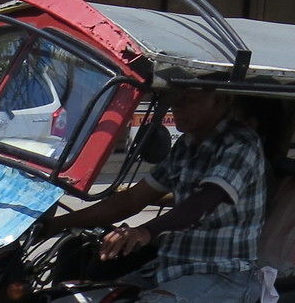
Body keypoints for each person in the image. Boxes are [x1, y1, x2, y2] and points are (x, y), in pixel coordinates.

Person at [42, 84, 268, 303]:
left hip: (221, 274)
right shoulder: (185, 146)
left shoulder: (240, 144)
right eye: (175, 98)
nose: (177, 106)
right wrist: (57, 224)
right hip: (170, 268)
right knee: (72, 297)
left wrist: (146, 231)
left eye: (188, 99)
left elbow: (203, 202)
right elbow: (132, 199)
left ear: (219, 100)